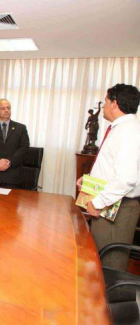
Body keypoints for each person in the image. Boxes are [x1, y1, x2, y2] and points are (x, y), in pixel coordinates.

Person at [77, 84, 140, 271]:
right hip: (111, 203)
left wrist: (97, 202)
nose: (103, 106)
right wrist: (89, 181)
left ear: (114, 103)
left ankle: (110, 300)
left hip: (117, 207)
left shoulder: (128, 132)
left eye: (105, 101)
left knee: (110, 264)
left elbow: (126, 179)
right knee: (100, 258)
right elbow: (113, 168)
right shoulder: (121, 129)